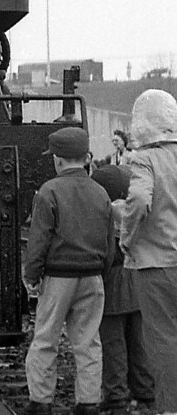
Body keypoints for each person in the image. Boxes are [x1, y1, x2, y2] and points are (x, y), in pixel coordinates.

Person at [23, 126, 115, 415]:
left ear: (58, 160)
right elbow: (109, 241)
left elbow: (39, 240)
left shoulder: (49, 191)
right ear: (86, 157)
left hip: (58, 278)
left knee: (45, 340)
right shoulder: (101, 193)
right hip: (92, 277)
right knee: (88, 343)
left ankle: (41, 403)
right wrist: (103, 271)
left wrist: (31, 275)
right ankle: (88, 404)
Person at [120, 88, 177, 415]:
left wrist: (126, 235)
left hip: (157, 265)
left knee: (164, 343)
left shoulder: (145, 159)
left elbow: (140, 201)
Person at [91, 165, 154, 415]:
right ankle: (145, 391)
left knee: (113, 342)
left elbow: (106, 254)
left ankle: (116, 395)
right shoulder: (140, 211)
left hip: (114, 285)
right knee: (139, 341)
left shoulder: (108, 215)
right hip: (140, 283)